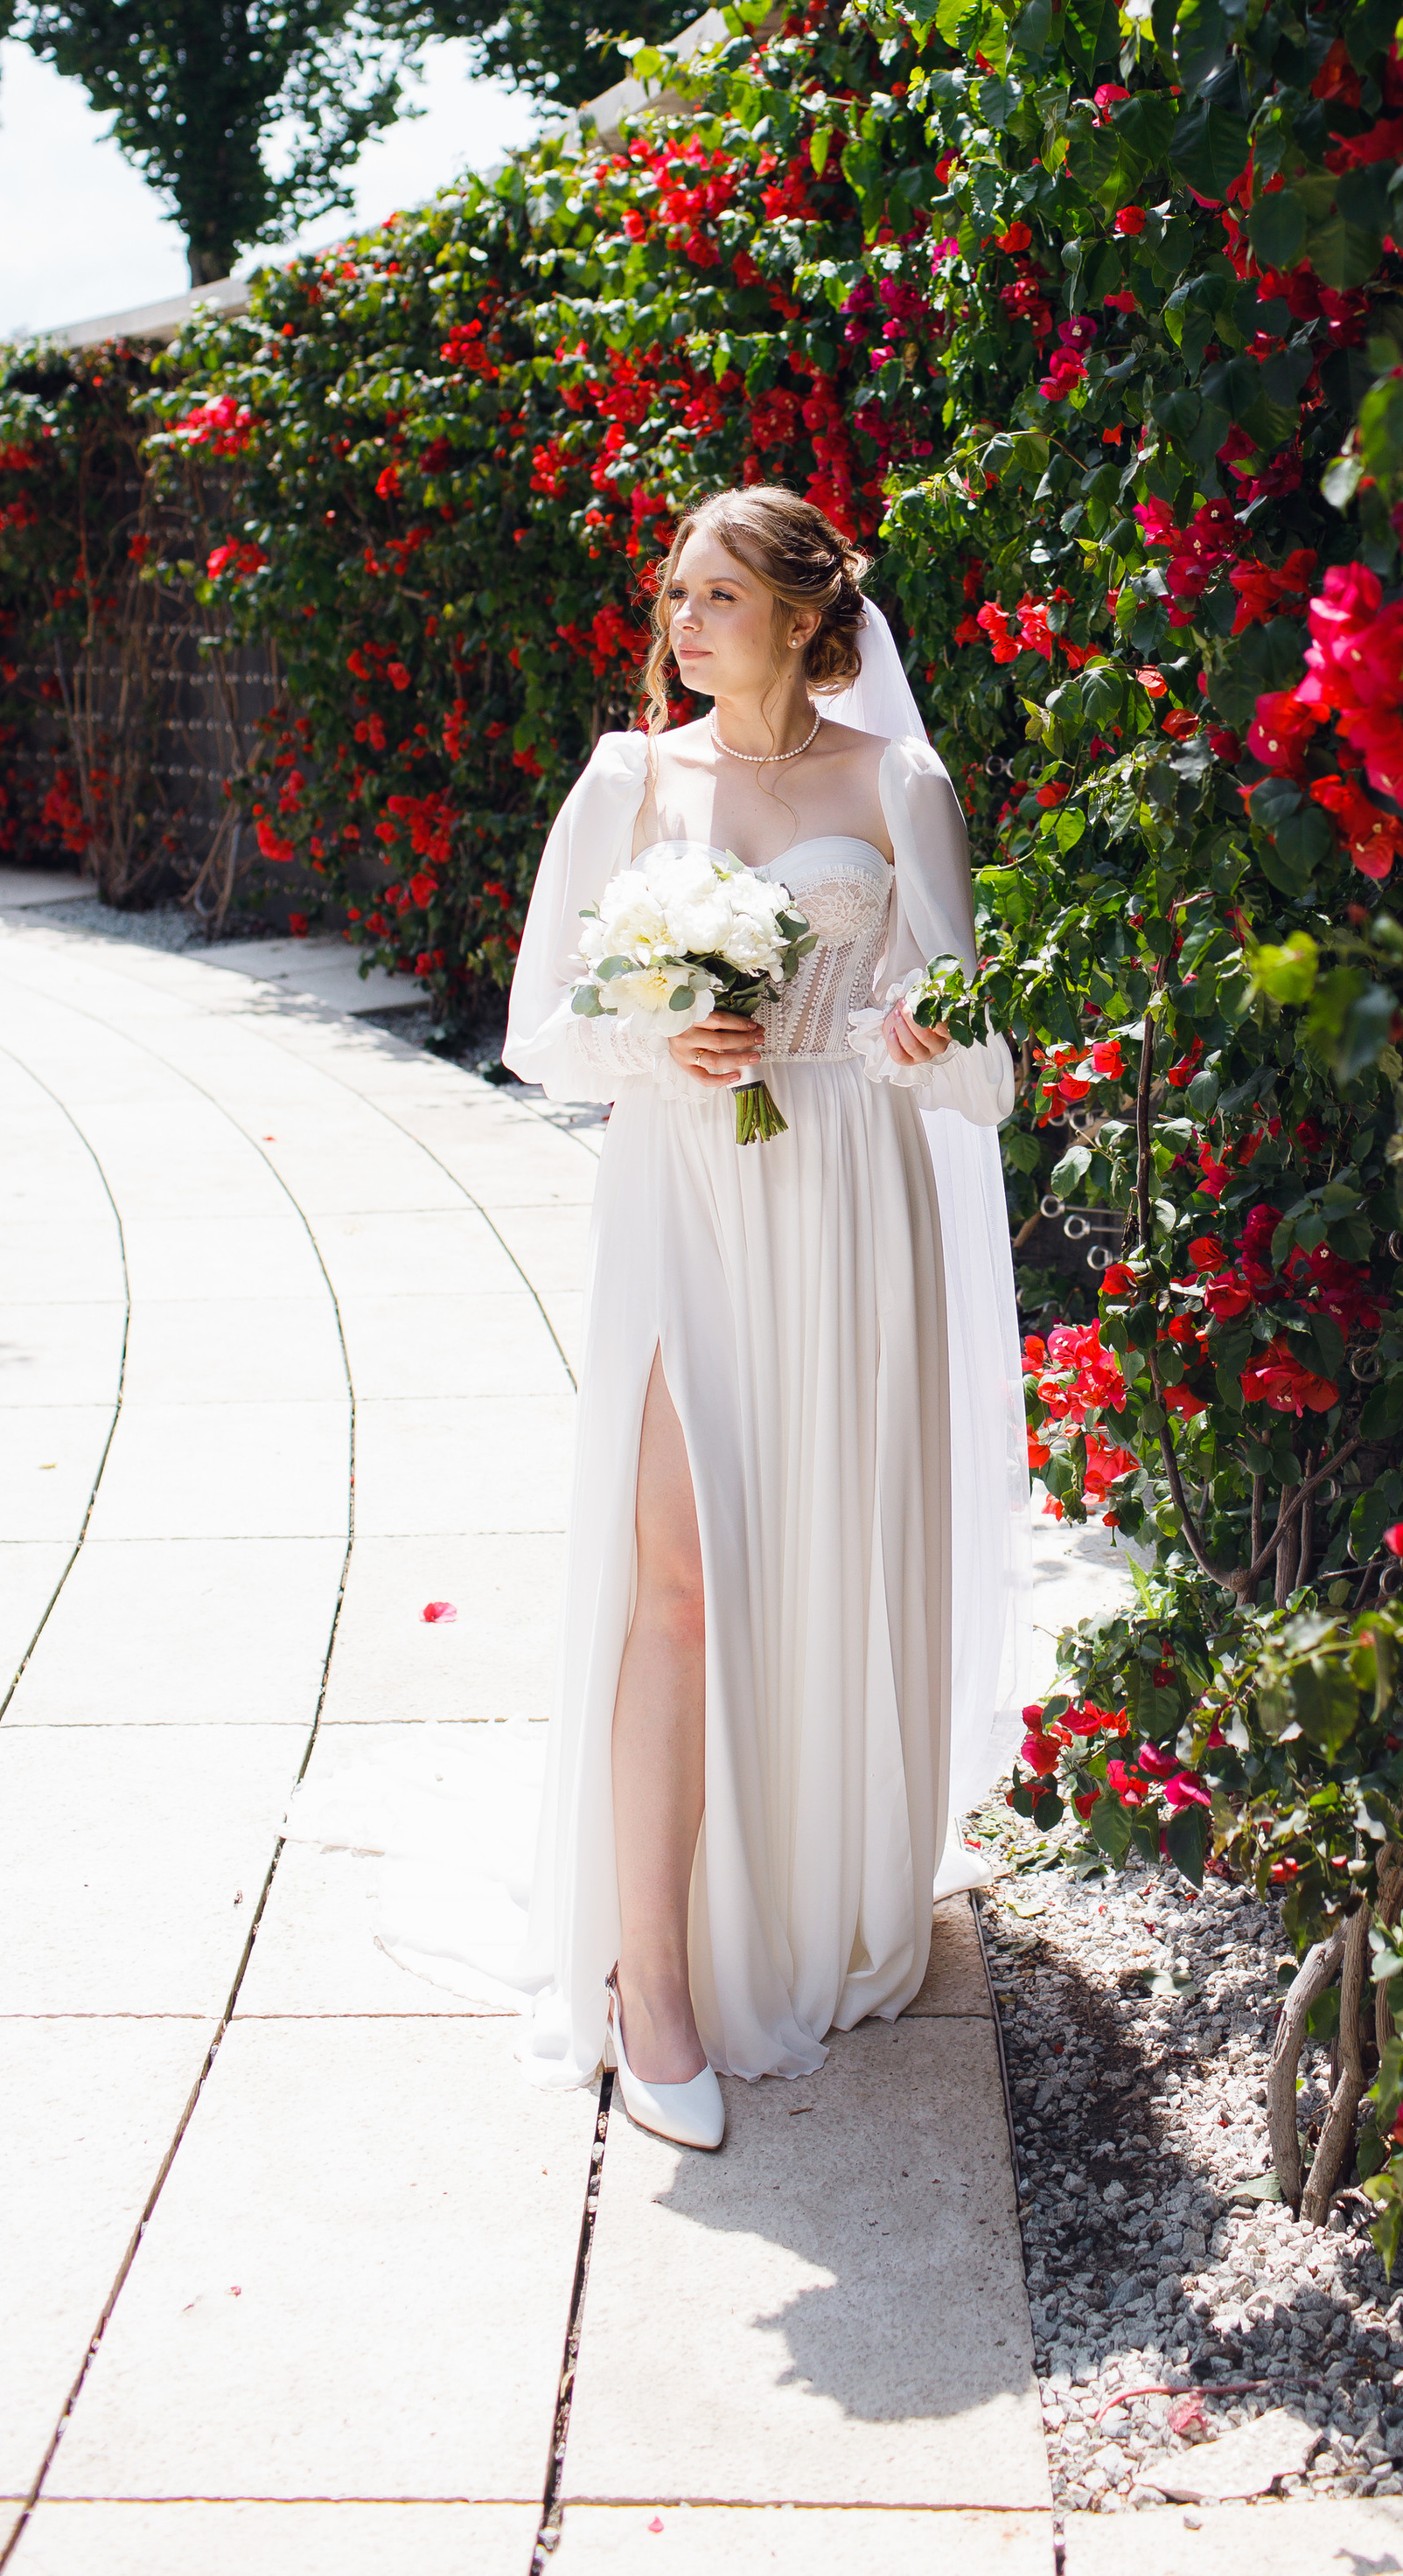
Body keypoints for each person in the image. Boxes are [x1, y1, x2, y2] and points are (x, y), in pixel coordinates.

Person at [499, 484, 1029, 2148]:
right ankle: (650, 1987)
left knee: (820, 1557)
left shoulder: (899, 785)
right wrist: (663, 1039)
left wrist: (917, 1039)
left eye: (719, 593)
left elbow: (982, 1059)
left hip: (847, 1203)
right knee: (680, 1576)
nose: (684, 619)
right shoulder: (627, 779)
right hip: (686, 1204)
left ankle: (801, 1907)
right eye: (674, 592)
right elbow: (546, 1029)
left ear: (808, 615)